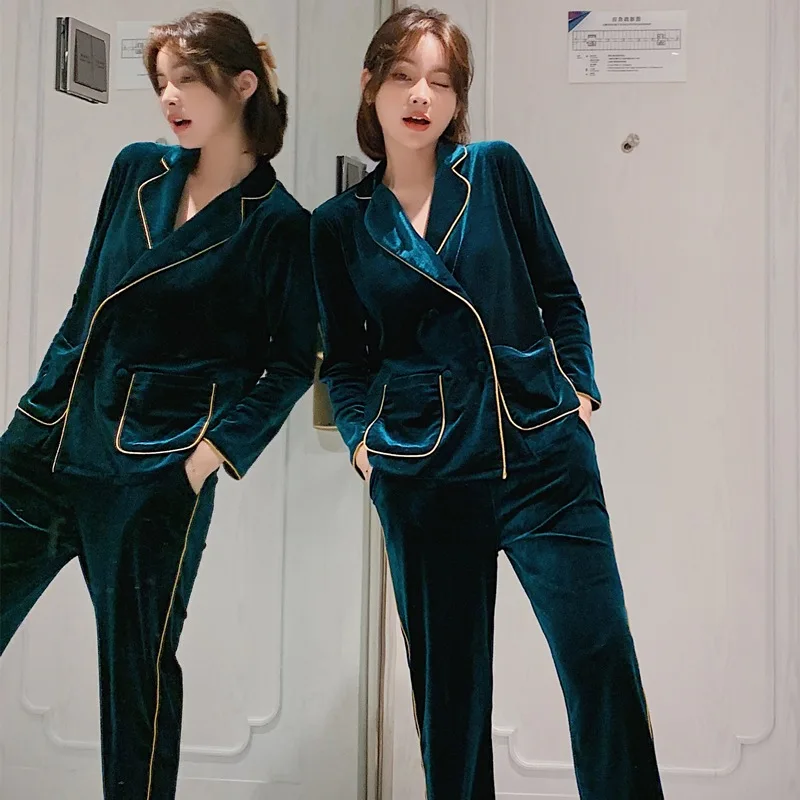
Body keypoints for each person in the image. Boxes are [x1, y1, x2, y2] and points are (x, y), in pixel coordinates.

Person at [311, 7, 664, 799]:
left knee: (601, 663)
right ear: (370, 84)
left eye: (441, 82)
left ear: (457, 98)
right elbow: (347, 362)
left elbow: (558, 294)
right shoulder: (340, 225)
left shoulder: (495, 171)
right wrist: (365, 445)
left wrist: (579, 393)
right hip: (426, 477)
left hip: (544, 457)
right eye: (404, 76)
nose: (421, 96)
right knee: (452, 704)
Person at [0, 10, 317, 799]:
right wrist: (35, 412)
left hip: (153, 472)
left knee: (135, 680)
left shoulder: (279, 226)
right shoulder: (137, 170)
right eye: (162, 82)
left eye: (186, 80)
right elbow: (88, 299)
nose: (169, 97)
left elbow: (290, 364)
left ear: (242, 85)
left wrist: (207, 458)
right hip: (47, 445)